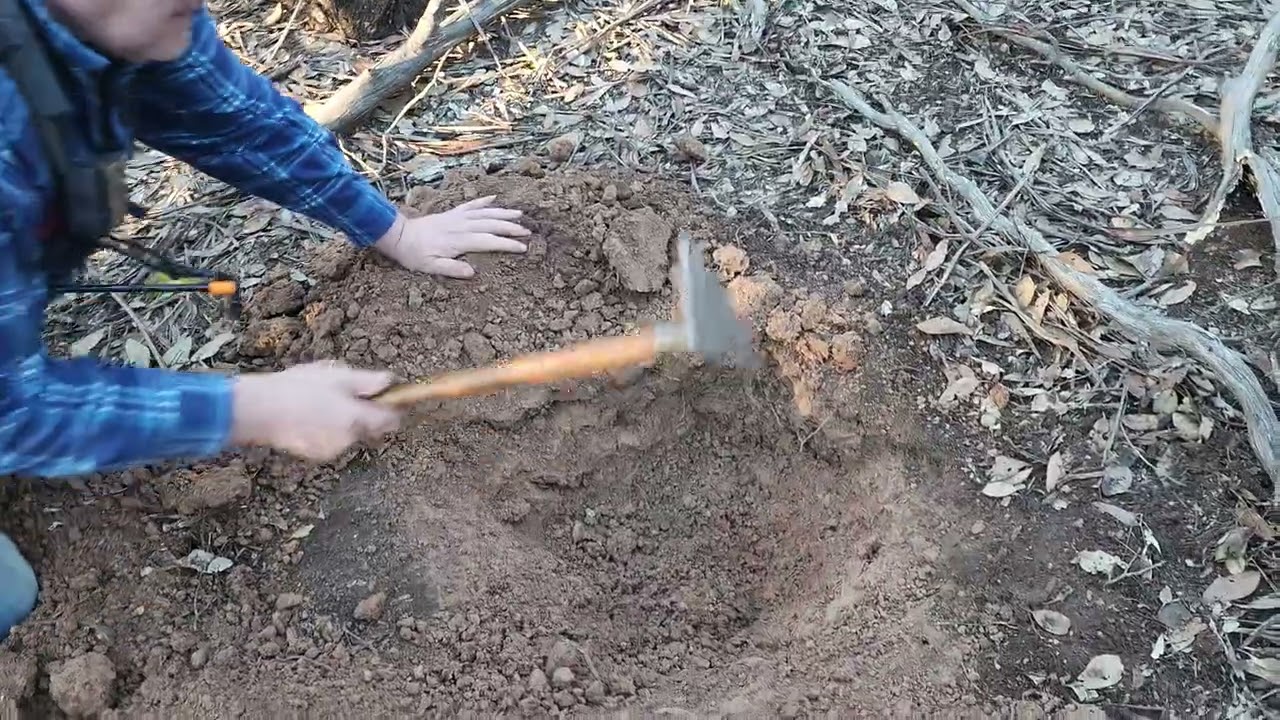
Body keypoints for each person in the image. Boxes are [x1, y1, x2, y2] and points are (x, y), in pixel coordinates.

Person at [0, 0, 531, 640]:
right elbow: (10, 409)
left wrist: (392, 228)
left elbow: (238, 123)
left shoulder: (134, 19)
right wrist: (252, 408)